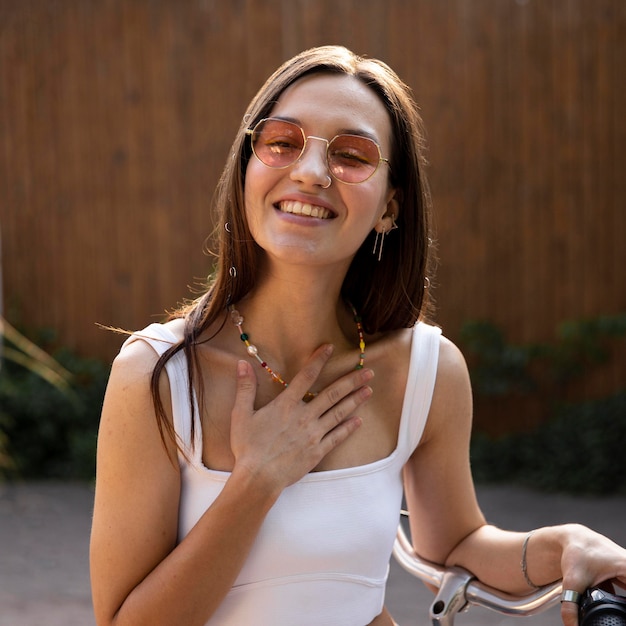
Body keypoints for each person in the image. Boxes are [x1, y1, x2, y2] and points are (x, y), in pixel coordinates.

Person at [89, 45, 626, 626]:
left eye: (351, 155)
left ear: (390, 206)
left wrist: (567, 545)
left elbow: (456, 544)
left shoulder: (428, 371)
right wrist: (256, 481)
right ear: (249, 166)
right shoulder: (158, 376)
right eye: (282, 142)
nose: (311, 172)